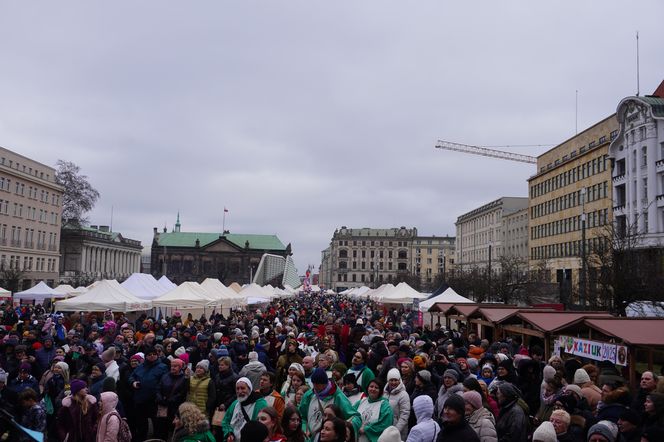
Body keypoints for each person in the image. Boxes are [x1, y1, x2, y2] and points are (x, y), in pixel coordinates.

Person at [299, 368, 360, 442]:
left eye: (318, 384)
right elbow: (302, 416)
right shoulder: (309, 395)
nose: (315, 387)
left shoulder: (338, 396)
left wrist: (345, 428)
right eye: (313, 384)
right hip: (310, 438)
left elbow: (355, 417)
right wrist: (304, 429)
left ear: (325, 383)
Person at [128, 346, 168, 441]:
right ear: (146, 356)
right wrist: (133, 383)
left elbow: (164, 382)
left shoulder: (162, 367)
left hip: (154, 400)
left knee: (157, 424)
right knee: (141, 424)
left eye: (154, 354)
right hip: (140, 399)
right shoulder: (141, 366)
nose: (152, 356)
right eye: (149, 355)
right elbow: (131, 377)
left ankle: (157, 440)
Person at [221, 377, 269, 442]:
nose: (240, 391)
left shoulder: (260, 404)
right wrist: (229, 433)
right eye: (237, 389)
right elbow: (225, 421)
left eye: (243, 388)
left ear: (249, 389)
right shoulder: (235, 403)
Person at [155, 358, 188, 440]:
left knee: (173, 427)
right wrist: (160, 398)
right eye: (172, 366)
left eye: (176, 366)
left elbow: (182, 393)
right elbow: (159, 388)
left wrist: (170, 400)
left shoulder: (184, 379)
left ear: (180, 367)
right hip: (163, 405)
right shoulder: (165, 376)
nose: (173, 368)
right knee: (162, 426)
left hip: (175, 407)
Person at [383, 368, 410, 440]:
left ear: (399, 380)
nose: (393, 382)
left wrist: (396, 430)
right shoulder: (384, 393)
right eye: (391, 380)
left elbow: (405, 414)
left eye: (396, 380)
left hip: (398, 431)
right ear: (388, 381)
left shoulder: (403, 395)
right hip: (385, 428)